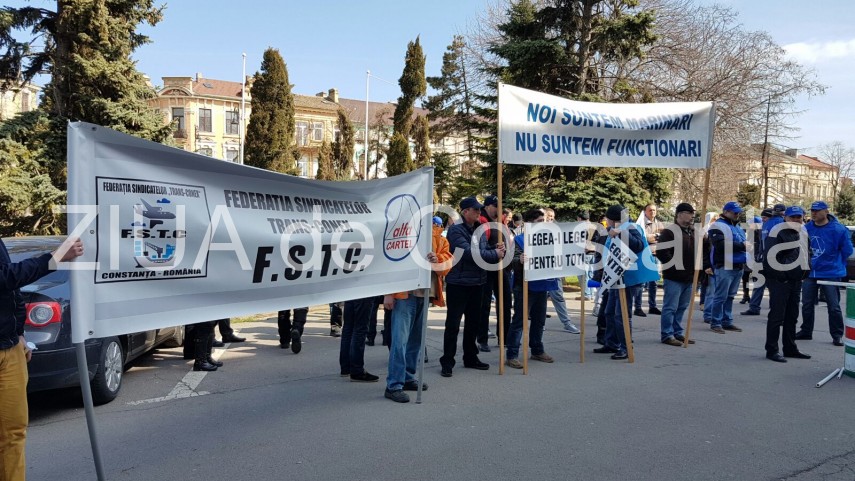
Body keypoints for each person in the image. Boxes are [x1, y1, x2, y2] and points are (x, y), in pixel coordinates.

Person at [1, 236, 83, 481]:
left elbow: (10, 289)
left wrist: (18, 333)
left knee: (13, 434)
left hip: (10, 348)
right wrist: (54, 259)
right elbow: (5, 277)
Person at [383, 219, 452, 402]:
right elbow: (391, 262)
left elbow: (447, 262)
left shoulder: (437, 234)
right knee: (400, 341)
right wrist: (388, 293)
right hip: (405, 295)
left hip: (426, 294)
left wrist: (438, 261)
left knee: (415, 340)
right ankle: (394, 385)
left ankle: (407, 377)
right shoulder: (402, 230)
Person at [440, 196, 505, 377]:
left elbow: (485, 250)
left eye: (479, 209)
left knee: (473, 324)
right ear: (465, 211)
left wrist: (499, 249)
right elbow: (470, 254)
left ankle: (470, 357)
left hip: (478, 282)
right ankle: (447, 360)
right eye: (475, 210)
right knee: (453, 324)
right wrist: (494, 254)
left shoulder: (480, 229)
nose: (478, 212)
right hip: (458, 283)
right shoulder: (455, 231)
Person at [593, 205, 659, 359]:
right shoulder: (619, 228)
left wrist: (622, 233)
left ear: (612, 219)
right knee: (609, 312)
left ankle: (625, 346)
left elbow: (638, 245)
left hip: (628, 279)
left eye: (607, 218)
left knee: (621, 314)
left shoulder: (630, 227)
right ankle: (611, 343)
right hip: (616, 277)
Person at [505, 209, 560, 368]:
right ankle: (512, 355)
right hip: (524, 286)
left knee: (539, 320)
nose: (544, 224)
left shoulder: (549, 239)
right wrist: (519, 260)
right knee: (519, 321)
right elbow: (510, 261)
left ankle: (537, 350)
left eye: (544, 221)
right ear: (529, 223)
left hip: (541, 284)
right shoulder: (519, 240)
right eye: (539, 221)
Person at [797, 200, 853, 346]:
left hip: (831, 272)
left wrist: (836, 262)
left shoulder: (838, 230)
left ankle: (837, 335)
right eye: (812, 211)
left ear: (826, 212)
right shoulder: (807, 228)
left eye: (817, 211)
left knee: (833, 306)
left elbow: (847, 250)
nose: (814, 213)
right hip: (810, 273)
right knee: (807, 304)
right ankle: (806, 331)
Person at [763, 206, 812, 362]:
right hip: (780, 280)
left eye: (799, 216)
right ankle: (772, 350)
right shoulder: (777, 231)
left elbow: (806, 252)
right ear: (786, 217)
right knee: (777, 316)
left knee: (792, 316)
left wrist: (805, 273)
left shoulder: (803, 231)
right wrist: (781, 277)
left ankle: (790, 348)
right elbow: (770, 258)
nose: (796, 220)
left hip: (796, 279)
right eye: (793, 217)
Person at [656, 203, 697, 346]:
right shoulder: (670, 232)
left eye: (693, 213)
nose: (692, 215)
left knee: (682, 307)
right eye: (689, 213)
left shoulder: (693, 232)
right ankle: (667, 334)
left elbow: (704, 248)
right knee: (671, 307)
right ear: (679, 214)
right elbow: (662, 252)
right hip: (674, 276)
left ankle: (677, 332)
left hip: (689, 276)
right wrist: (675, 265)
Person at [477, 195, 511, 352]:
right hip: (485, 266)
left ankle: (504, 336)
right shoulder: (481, 221)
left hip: (501, 266)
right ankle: (482, 339)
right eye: (496, 206)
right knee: (484, 304)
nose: (499, 209)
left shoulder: (501, 220)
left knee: (505, 301)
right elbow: (479, 246)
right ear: (488, 206)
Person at [706, 202, 746, 334]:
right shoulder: (717, 226)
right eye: (735, 212)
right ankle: (715, 322)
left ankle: (726, 320)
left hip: (737, 265)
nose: (737, 214)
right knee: (720, 296)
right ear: (726, 212)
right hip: (725, 265)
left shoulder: (737, 226)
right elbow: (721, 245)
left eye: (738, 212)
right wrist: (743, 246)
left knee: (730, 296)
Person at [542, 207, 580, 333]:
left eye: (552, 216)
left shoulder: (558, 231)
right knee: (538, 298)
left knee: (558, 296)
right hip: (540, 270)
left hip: (554, 270)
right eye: (549, 216)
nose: (551, 218)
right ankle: (539, 323)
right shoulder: (537, 231)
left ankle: (567, 322)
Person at [741, 208, 773, 316]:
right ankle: (751, 303)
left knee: (771, 285)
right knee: (756, 282)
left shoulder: (770, 228)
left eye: (765, 217)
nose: (764, 220)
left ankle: (774, 308)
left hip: (770, 261)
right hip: (757, 259)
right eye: (762, 217)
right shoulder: (758, 230)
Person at [634, 204, 664, 317]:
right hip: (644, 255)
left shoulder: (659, 223)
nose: (653, 212)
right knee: (641, 282)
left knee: (654, 282)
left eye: (654, 210)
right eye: (650, 210)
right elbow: (642, 237)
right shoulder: (641, 223)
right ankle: (638, 307)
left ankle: (652, 306)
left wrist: (654, 237)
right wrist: (655, 236)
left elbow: (664, 236)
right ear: (645, 211)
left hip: (656, 255)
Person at [340, 297, 380, 381]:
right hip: (364, 292)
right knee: (360, 328)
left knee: (348, 328)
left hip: (350, 291)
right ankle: (356, 370)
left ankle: (346, 367)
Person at [576, 211, 595, 301]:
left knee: (583, 275)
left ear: (579, 218)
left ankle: (586, 294)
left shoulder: (581, 228)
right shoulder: (595, 226)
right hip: (594, 252)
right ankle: (591, 294)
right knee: (591, 274)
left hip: (584, 252)